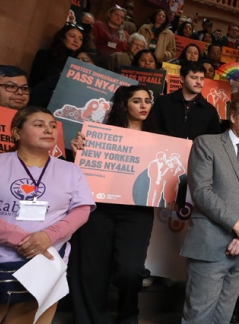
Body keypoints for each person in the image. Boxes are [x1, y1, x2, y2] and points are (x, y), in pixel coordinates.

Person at [0, 106, 94, 323]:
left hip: (43, 274)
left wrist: (48, 236)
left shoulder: (72, 171)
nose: (48, 130)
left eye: (52, 126)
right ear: (17, 133)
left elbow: (81, 210)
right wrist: (24, 240)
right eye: (39, 125)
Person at [68, 85, 161, 324]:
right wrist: (77, 149)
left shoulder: (159, 138)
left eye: (147, 101)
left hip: (137, 212)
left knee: (131, 270)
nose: (144, 106)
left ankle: (128, 313)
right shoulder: (99, 134)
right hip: (99, 209)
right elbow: (79, 170)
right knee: (92, 270)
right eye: (137, 101)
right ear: (123, 105)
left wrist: (169, 195)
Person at [180, 94, 239, 324]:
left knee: (223, 318)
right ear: (233, 116)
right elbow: (201, 192)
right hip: (210, 246)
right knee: (198, 317)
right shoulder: (206, 143)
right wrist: (238, 226)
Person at [149, 61, 221, 140]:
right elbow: (152, 129)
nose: (199, 82)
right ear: (182, 79)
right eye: (194, 77)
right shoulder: (163, 102)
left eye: (202, 78)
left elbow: (213, 141)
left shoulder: (210, 111)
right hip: (164, 150)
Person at [29, 23, 86, 88]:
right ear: (62, 37)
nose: (76, 41)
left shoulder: (81, 63)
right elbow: (34, 82)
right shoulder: (44, 55)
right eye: (72, 36)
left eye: (80, 39)